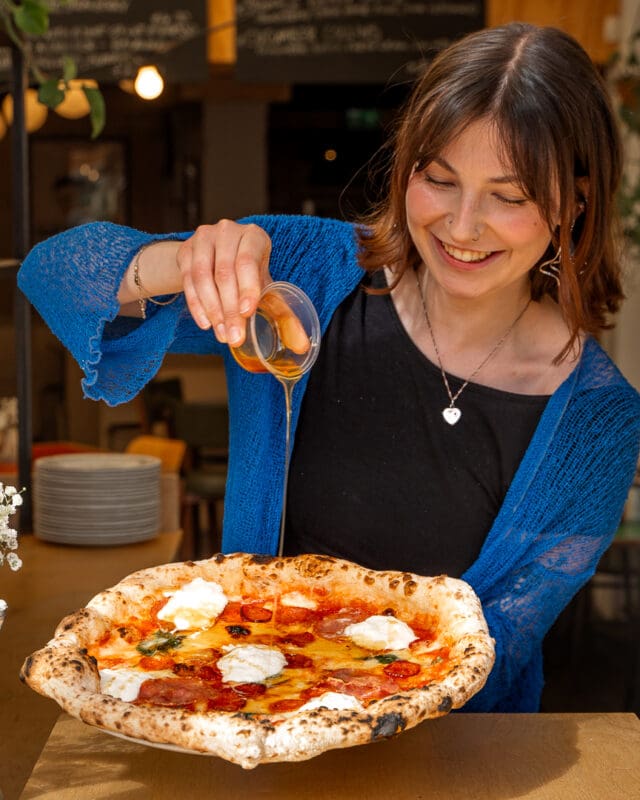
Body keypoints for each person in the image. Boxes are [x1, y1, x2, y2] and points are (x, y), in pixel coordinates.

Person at [18, 22, 640, 713]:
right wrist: (185, 261)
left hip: (448, 761)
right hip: (243, 717)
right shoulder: (306, 275)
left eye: (510, 195)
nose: (463, 227)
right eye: (438, 179)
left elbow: (489, 650)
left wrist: (321, 697)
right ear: (406, 167)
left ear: (575, 200)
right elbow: (51, 275)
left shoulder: (597, 422)